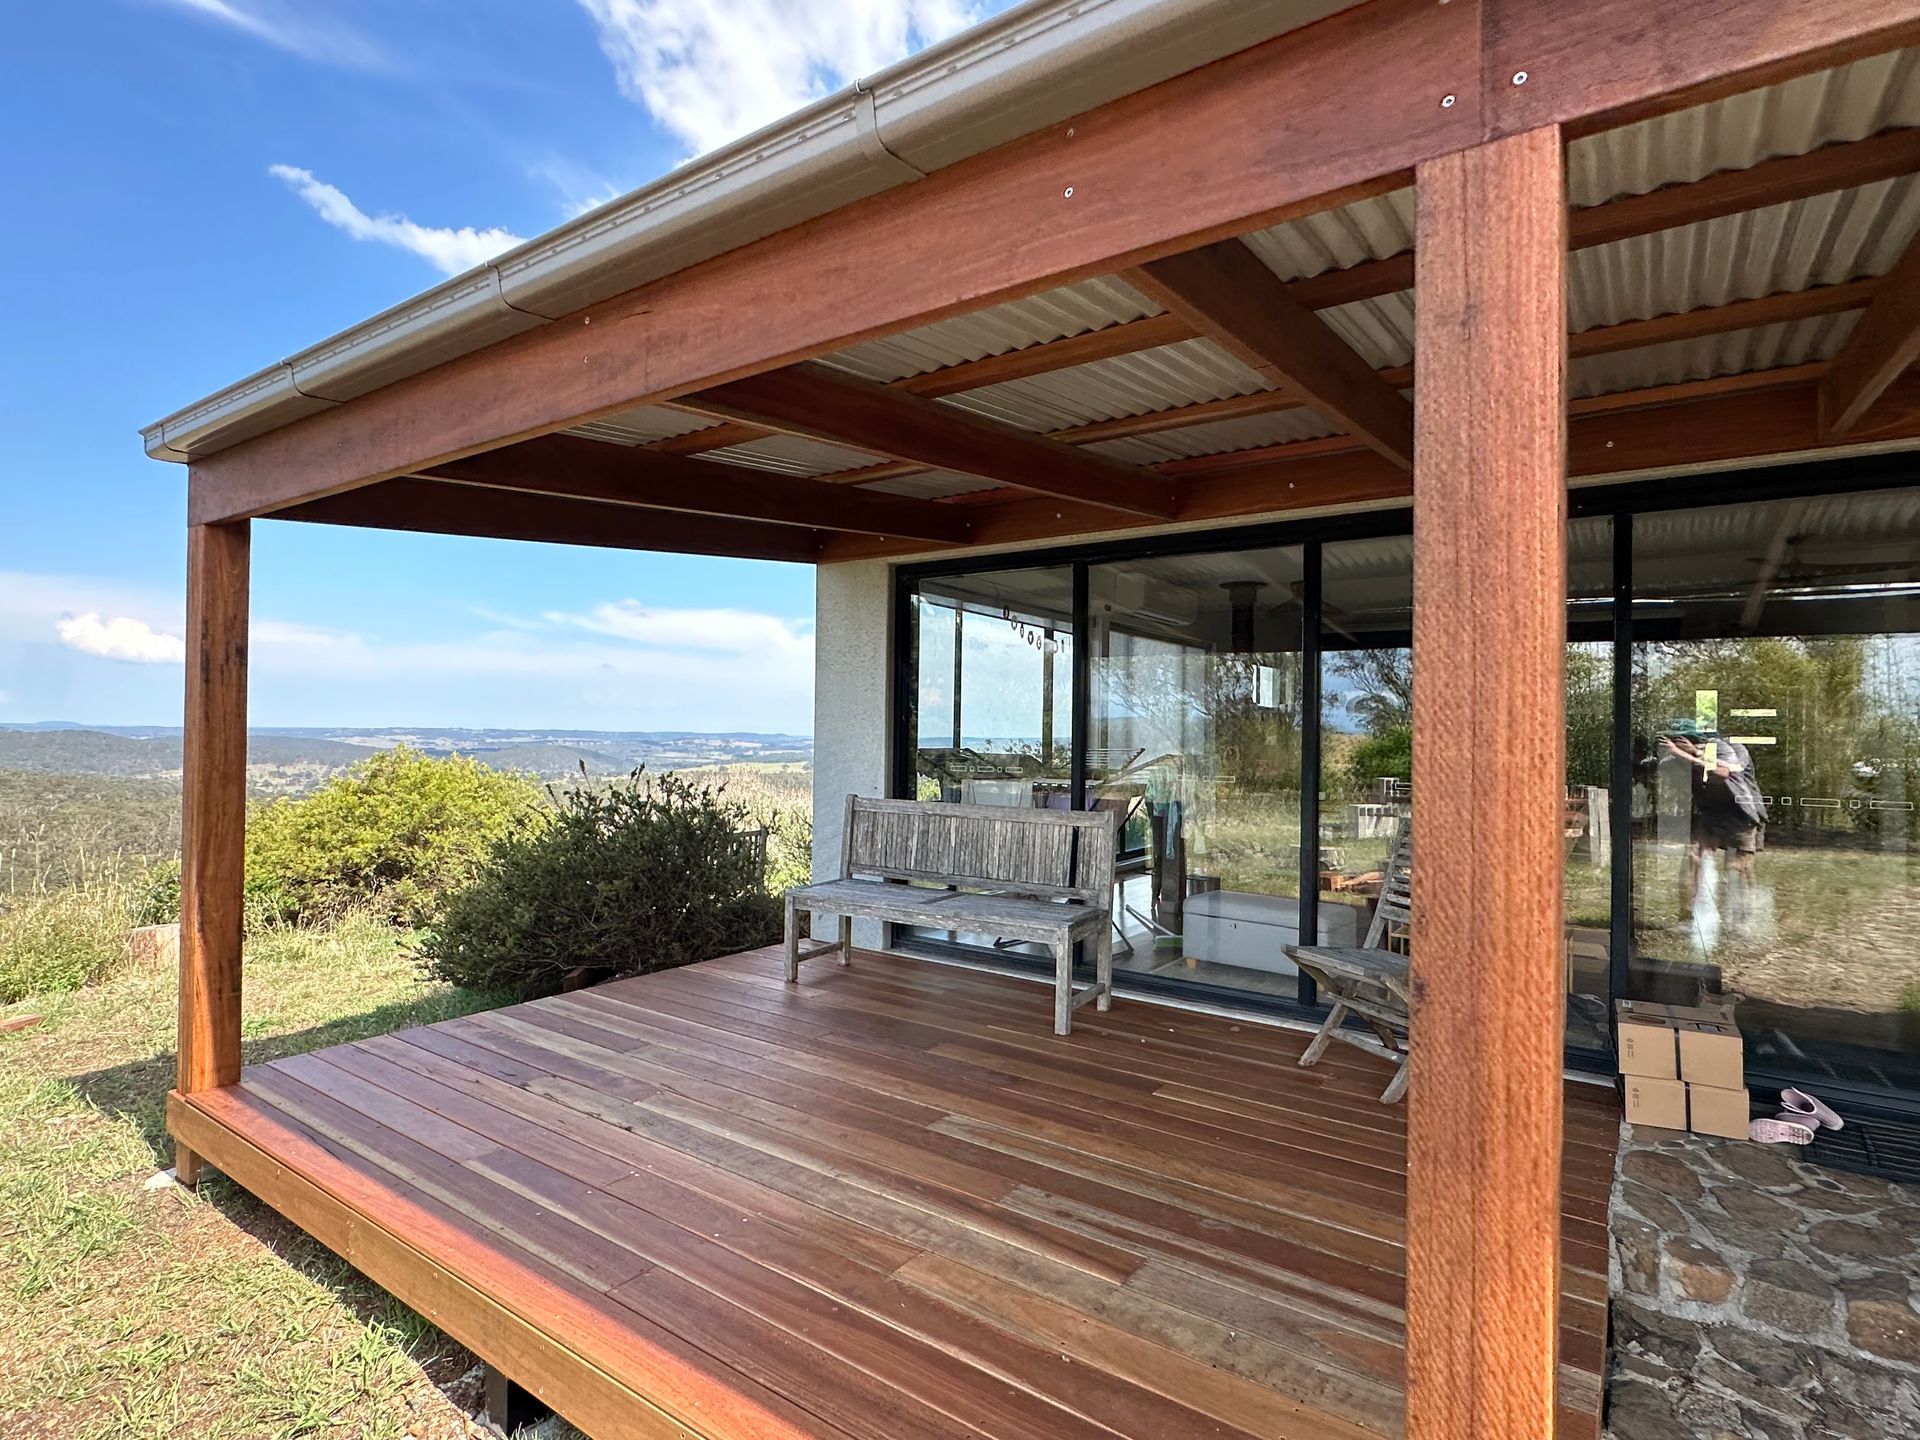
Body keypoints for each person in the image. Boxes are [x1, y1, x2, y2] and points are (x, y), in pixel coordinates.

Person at [1660, 718, 1767, 923]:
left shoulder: (1727, 748)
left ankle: (1741, 920)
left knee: (1737, 868)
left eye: (1676, 739)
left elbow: (1722, 773)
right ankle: (1686, 917)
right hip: (1711, 813)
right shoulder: (1678, 755)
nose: (1671, 743)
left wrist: (1689, 753)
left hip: (1740, 812)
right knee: (1693, 858)